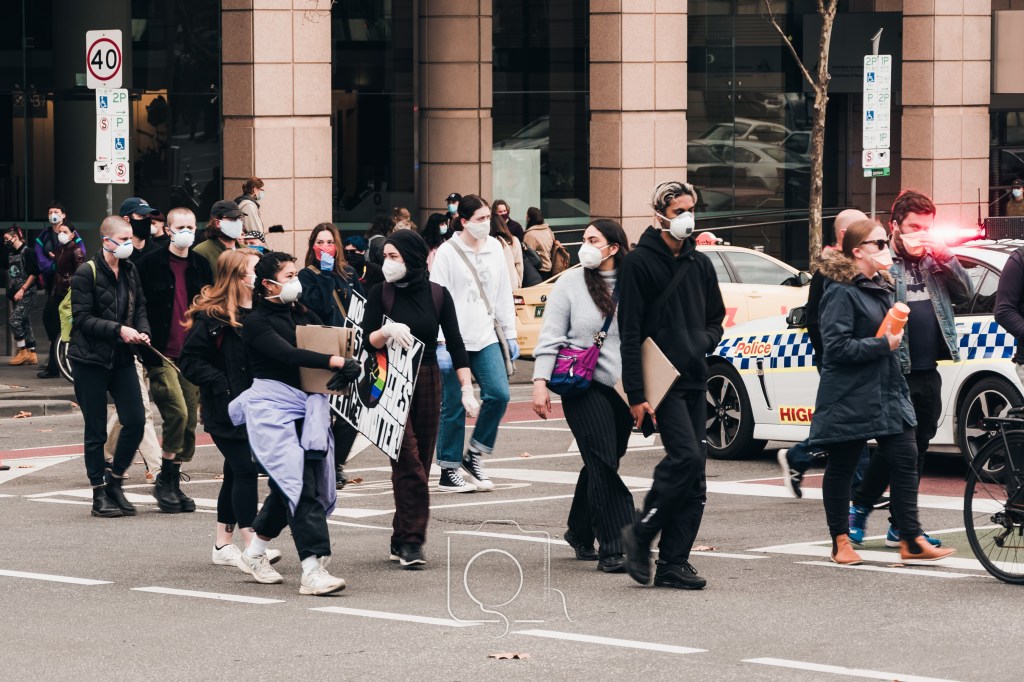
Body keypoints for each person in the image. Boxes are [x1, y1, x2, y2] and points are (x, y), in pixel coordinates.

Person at [810, 219, 955, 565]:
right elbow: (836, 347)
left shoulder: (882, 285)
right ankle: (840, 541)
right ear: (857, 251)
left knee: (905, 456)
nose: (885, 248)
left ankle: (910, 538)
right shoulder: (841, 290)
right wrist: (883, 344)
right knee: (843, 464)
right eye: (877, 243)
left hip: (887, 387)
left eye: (884, 241)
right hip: (850, 392)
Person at [848, 191, 972, 546]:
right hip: (894, 370)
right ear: (895, 227)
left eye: (926, 227)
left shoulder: (935, 261)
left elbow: (966, 293)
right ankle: (882, 516)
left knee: (917, 447)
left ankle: (894, 521)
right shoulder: (883, 262)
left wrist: (945, 255)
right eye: (913, 227)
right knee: (898, 448)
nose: (921, 234)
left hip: (928, 368)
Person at [619, 181, 725, 591]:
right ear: (660, 215)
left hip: (696, 378)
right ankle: (642, 531)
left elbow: (716, 318)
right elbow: (629, 333)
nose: (687, 218)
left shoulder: (701, 264)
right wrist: (636, 395)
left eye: (691, 210)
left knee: (695, 474)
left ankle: (673, 562)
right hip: (662, 383)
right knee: (685, 457)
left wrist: (701, 341)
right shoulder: (638, 263)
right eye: (679, 211)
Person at [231, 251, 353, 595]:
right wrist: (334, 361)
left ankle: (253, 553)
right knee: (299, 486)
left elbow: (331, 332)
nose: (295, 281)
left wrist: (347, 362)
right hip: (272, 412)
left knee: (289, 486)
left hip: (306, 410)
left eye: (296, 274)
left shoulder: (300, 312)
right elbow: (287, 354)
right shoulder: (256, 322)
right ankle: (312, 571)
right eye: (289, 276)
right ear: (268, 284)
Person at [363, 230, 476, 567]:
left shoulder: (438, 294)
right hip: (389, 381)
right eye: (385, 256)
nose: (387, 263)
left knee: (422, 461)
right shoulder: (380, 293)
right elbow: (366, 339)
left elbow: (455, 343)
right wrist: (385, 331)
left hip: (427, 378)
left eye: (394, 257)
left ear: (412, 259)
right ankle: (412, 542)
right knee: (408, 460)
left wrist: (467, 388)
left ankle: (401, 536)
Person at [532, 219, 633, 573]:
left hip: (624, 389)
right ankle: (615, 547)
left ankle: (578, 530)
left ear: (614, 248)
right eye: (584, 238)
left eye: (593, 239)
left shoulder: (634, 282)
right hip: (582, 385)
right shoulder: (570, 282)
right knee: (602, 461)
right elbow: (551, 335)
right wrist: (540, 381)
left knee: (604, 461)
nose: (585, 245)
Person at [180, 250, 281, 567]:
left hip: (256, 406)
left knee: (233, 472)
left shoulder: (261, 311)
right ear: (238, 276)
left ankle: (222, 544)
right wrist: (222, 384)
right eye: (254, 269)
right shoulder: (213, 317)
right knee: (245, 470)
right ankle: (252, 544)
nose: (259, 275)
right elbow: (190, 361)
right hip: (224, 408)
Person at [777, 208, 868, 497]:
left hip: (856, 357)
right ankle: (859, 487)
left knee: (843, 422)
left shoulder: (861, 267)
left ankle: (799, 457)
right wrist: (832, 357)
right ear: (844, 234)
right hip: (839, 359)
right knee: (851, 421)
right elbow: (815, 320)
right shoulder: (829, 272)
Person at [429, 195, 518, 493]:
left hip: (485, 335)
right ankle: (449, 468)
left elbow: (503, 293)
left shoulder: (495, 247)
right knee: (453, 403)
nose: (486, 223)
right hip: (453, 339)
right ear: (464, 221)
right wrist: (440, 341)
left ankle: (475, 453)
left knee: (499, 394)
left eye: (488, 218)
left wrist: (510, 333)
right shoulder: (447, 252)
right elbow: (436, 297)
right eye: (480, 219)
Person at [68, 216, 152, 518]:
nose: (129, 244)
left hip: (122, 358)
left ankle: (115, 481)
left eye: (130, 238)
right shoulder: (85, 272)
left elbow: (139, 306)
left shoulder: (130, 270)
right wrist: (119, 330)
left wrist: (142, 331)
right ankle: (98, 494)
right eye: (124, 239)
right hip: (89, 360)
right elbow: (82, 318)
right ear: (107, 241)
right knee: (96, 430)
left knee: (136, 420)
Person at [138, 207, 214, 513]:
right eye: (179, 227)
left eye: (190, 227)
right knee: (177, 413)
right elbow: (139, 304)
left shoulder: (201, 265)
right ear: (168, 230)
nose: (186, 232)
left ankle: (171, 480)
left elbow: (209, 307)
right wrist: (142, 337)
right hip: (159, 353)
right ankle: (164, 481)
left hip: (191, 355)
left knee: (189, 422)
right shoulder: (150, 264)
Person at [296, 222, 364, 487]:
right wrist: (325, 275)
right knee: (322, 409)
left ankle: (335, 463)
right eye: (320, 242)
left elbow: (361, 306)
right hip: (322, 347)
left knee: (351, 414)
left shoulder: (349, 272)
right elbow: (320, 307)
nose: (325, 247)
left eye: (329, 242)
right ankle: (321, 463)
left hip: (349, 346)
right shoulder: (306, 275)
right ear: (312, 245)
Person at [36, 202, 86, 378]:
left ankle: (57, 361)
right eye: (50, 212)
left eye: (65, 232)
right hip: (56, 290)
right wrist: (51, 262)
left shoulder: (75, 250)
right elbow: (41, 256)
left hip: (66, 292)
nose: (61, 234)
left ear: (72, 234)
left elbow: (79, 270)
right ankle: (57, 355)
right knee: (52, 322)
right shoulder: (57, 246)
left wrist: (74, 288)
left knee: (61, 325)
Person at [5, 226, 39, 366]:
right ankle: (32, 353)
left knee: (15, 320)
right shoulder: (11, 254)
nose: (5, 242)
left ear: (15, 237)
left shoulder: (27, 252)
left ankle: (22, 350)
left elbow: (34, 273)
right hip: (16, 293)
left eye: (7, 239)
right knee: (25, 322)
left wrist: (23, 289)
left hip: (27, 292)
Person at [194, 200, 245, 280]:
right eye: (233, 219)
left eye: (239, 218)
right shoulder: (201, 252)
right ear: (217, 223)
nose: (238, 223)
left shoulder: (245, 251)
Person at [119, 197, 163, 264]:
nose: (147, 220)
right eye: (142, 216)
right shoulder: (118, 252)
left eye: (149, 216)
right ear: (126, 219)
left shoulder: (158, 252)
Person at [523, 207, 558, 280]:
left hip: (538, 270)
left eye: (526, 216)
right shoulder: (548, 230)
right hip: (549, 267)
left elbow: (528, 255)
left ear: (529, 218)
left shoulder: (530, 235)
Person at [491, 213, 524, 289]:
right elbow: (519, 264)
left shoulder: (489, 243)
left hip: (496, 283)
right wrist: (519, 281)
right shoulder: (514, 240)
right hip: (512, 280)